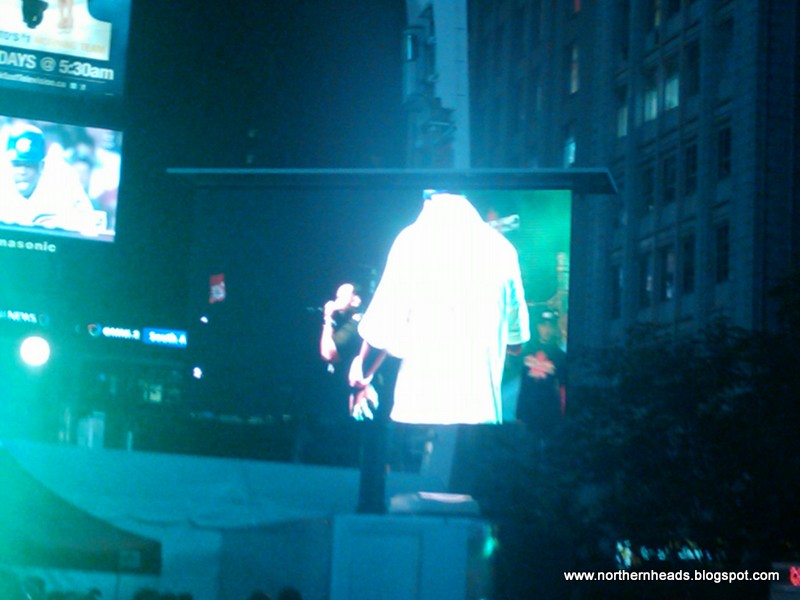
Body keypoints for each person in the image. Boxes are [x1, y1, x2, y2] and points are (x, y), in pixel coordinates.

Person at [350, 191, 530, 425]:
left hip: (421, 416)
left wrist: (362, 375)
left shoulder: (413, 240)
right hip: (483, 420)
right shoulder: (504, 250)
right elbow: (516, 343)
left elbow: (381, 331)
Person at [0, 122, 99, 234]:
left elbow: (91, 225)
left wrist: (63, 222)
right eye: (17, 164)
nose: (22, 171)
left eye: (29, 165)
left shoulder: (63, 181)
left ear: (41, 166)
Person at [319, 282, 378, 419]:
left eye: (341, 297)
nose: (335, 301)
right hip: (347, 391)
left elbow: (327, 353)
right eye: (336, 297)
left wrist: (328, 318)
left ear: (356, 301)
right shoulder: (349, 322)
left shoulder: (356, 323)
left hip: (351, 394)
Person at [515, 308, 567, 443]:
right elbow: (522, 383)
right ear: (538, 327)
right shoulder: (527, 350)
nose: (547, 329)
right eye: (544, 325)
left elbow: (563, 387)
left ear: (554, 328)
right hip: (527, 410)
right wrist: (519, 412)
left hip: (548, 412)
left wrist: (562, 413)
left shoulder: (559, 356)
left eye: (550, 326)